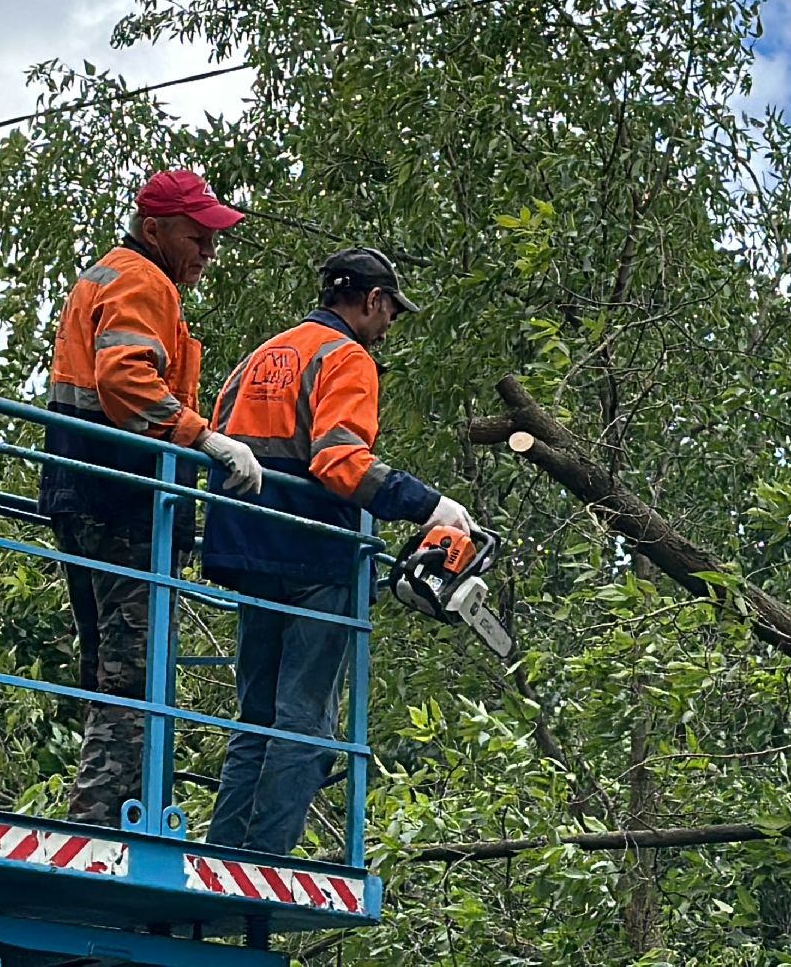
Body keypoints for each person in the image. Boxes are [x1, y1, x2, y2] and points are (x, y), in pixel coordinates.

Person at [202, 246, 474, 856]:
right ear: (373, 300)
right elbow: (338, 461)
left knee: (256, 718)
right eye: (390, 313)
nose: (388, 327)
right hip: (313, 552)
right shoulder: (346, 357)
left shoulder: (260, 357)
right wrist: (430, 506)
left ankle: (222, 852)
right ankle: (264, 862)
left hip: (246, 545)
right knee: (305, 721)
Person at [38, 169, 264, 827]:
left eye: (214, 242)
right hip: (122, 497)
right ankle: (100, 819)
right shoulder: (142, 281)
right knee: (135, 672)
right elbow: (125, 379)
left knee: (107, 661)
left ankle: (103, 806)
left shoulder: (107, 275)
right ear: (155, 229)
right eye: (199, 238)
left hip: (82, 490)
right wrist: (206, 439)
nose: (208, 254)